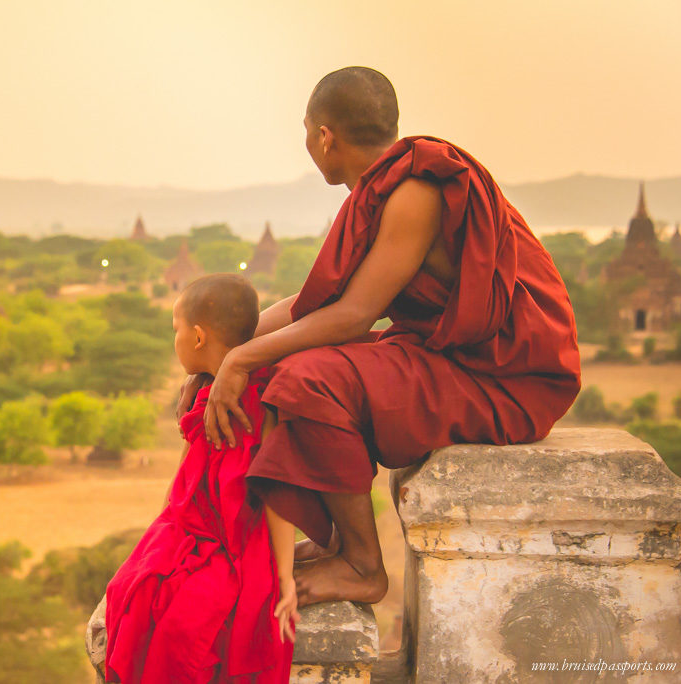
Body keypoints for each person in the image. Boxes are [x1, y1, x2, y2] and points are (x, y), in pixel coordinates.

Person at [175, 66, 581, 607]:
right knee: (279, 368)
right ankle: (337, 541)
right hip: (455, 358)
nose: (308, 144)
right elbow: (310, 304)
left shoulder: (415, 189)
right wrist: (221, 360)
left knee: (309, 379)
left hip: (505, 378)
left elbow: (354, 316)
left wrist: (238, 361)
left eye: (306, 132)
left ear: (324, 136)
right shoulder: (379, 193)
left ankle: (364, 565)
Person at [104, 273, 297, 684]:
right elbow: (185, 482)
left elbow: (277, 489)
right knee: (130, 592)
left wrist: (285, 576)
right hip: (187, 530)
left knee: (186, 626)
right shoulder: (203, 395)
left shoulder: (264, 401)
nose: (173, 342)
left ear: (196, 338)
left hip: (238, 544)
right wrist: (161, 536)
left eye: (175, 331)